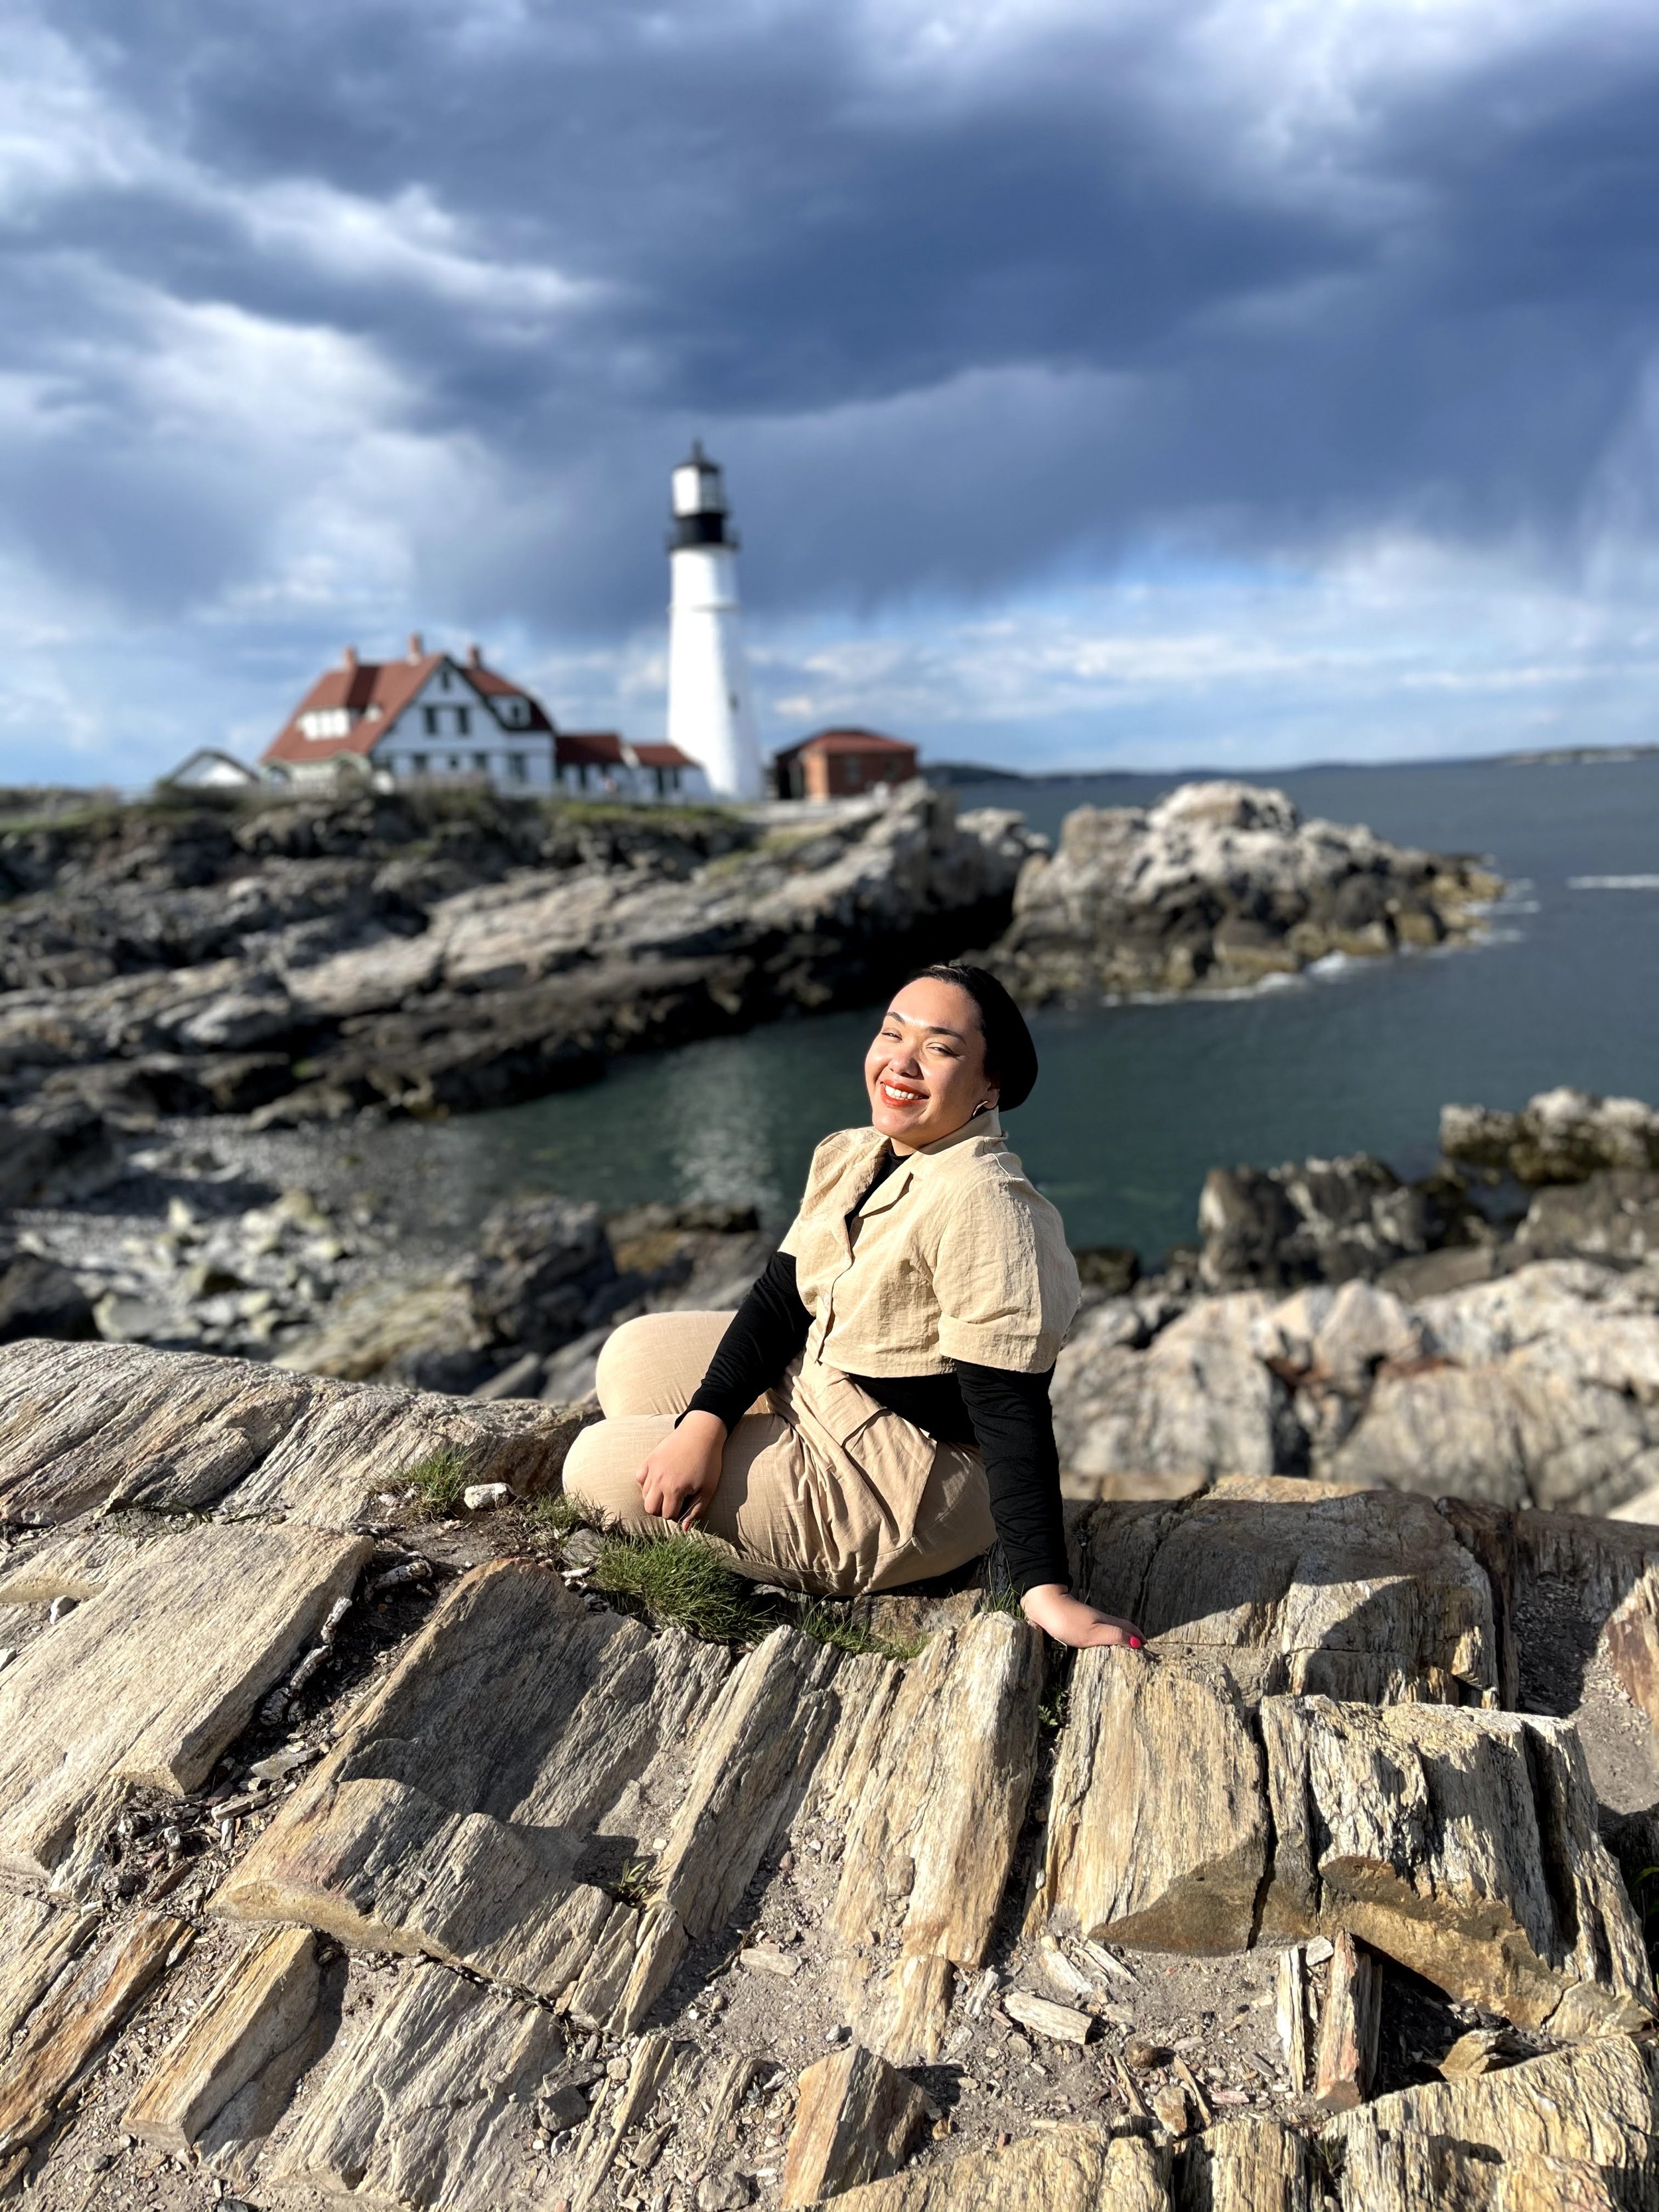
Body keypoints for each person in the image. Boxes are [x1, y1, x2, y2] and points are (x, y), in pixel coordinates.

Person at [562, 963, 1143, 1649]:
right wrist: (704, 1424)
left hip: (910, 1472)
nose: (902, 1061)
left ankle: (819, 1540)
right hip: (830, 1376)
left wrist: (1045, 1591)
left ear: (991, 1086)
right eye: (892, 1033)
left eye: (941, 1048)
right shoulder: (857, 1153)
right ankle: (737, 1454)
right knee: (631, 1357)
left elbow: (1008, 1407)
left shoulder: (988, 1206)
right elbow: (782, 1300)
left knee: (594, 1468)